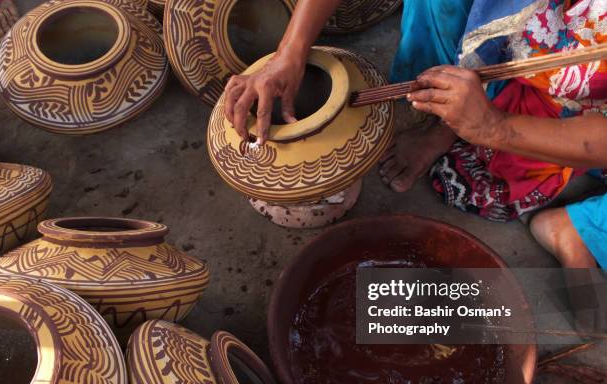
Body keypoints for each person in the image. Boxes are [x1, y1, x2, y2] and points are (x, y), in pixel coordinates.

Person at [224, 0, 606, 261]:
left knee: (493, 176)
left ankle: (577, 227)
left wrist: (495, 127)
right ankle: (441, 101)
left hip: (589, 96)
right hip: (537, 27)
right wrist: (289, 51)